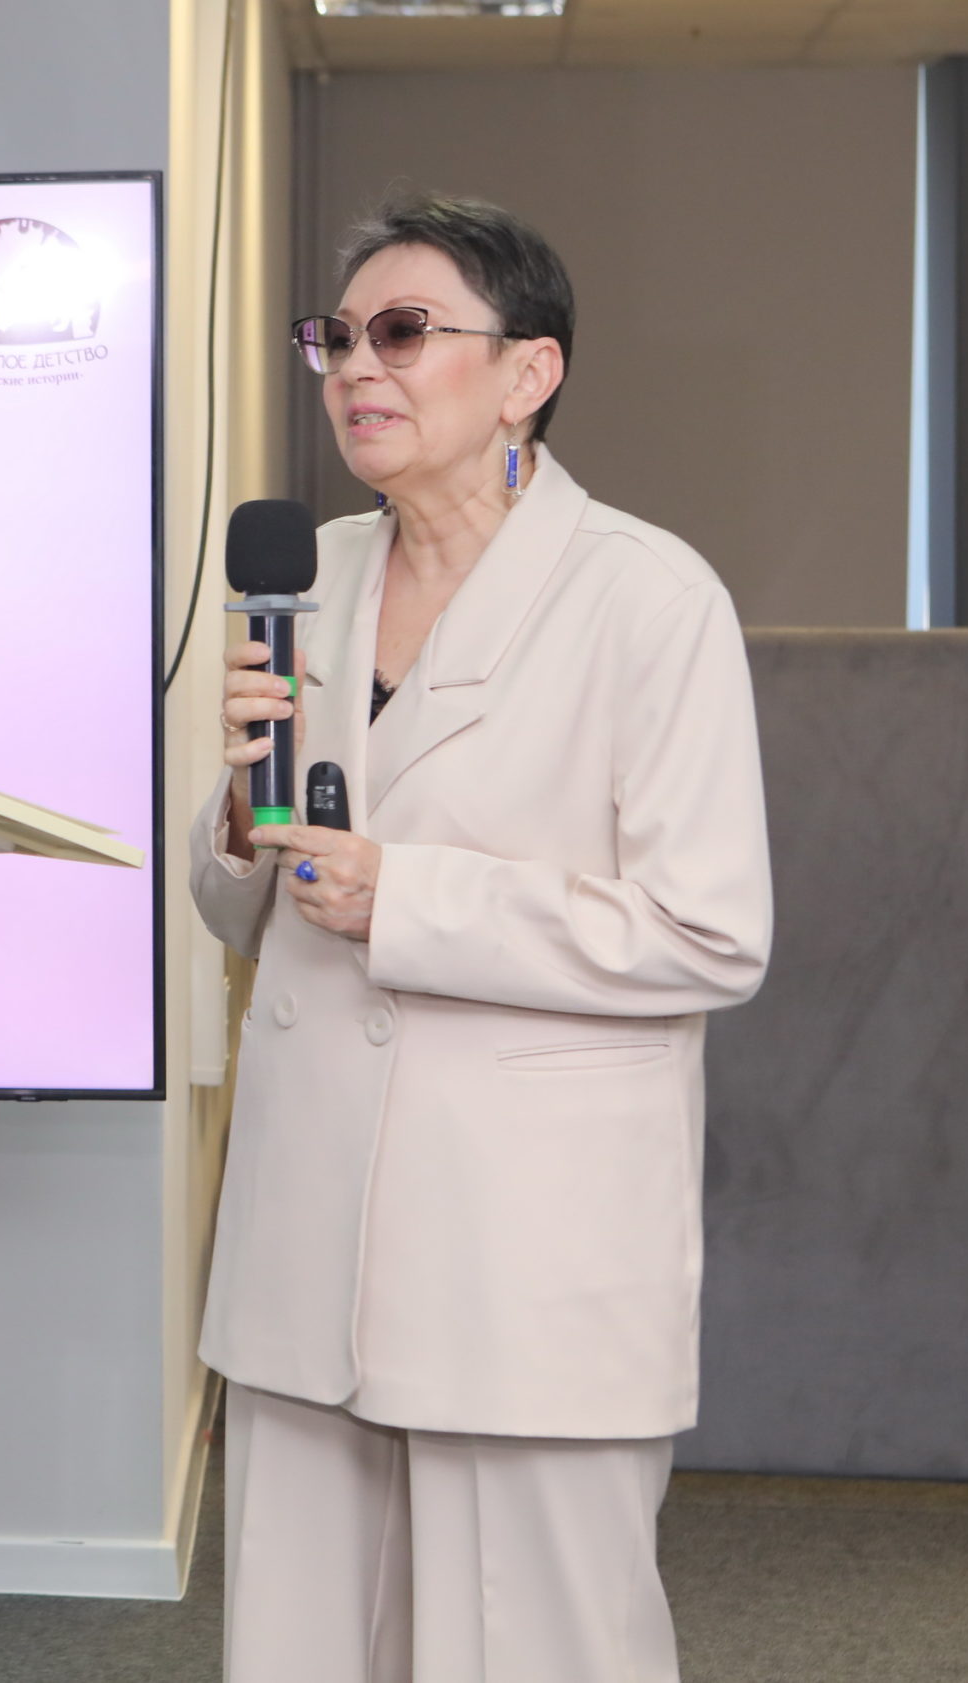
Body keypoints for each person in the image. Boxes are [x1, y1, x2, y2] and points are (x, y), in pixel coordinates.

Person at [194, 195, 772, 1683]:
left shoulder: (648, 599)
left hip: (522, 1241)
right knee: (304, 1645)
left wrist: (413, 900)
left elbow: (710, 936)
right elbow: (248, 905)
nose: (355, 368)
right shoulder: (304, 577)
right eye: (337, 336)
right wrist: (239, 816)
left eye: (403, 332)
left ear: (529, 373)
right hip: (309, 1224)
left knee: (535, 1648)